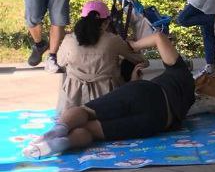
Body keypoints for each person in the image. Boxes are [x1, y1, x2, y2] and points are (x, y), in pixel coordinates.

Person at [23, 30, 197, 158]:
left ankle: (58, 130)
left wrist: (133, 45)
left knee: (86, 111)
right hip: (157, 121)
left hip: (148, 92)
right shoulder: (189, 99)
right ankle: (63, 143)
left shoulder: (180, 70)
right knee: (90, 131)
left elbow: (159, 37)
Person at [55, 0, 147, 114]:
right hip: (106, 98)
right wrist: (131, 47)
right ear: (106, 23)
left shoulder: (69, 40)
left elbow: (60, 62)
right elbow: (140, 60)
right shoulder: (113, 40)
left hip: (73, 100)